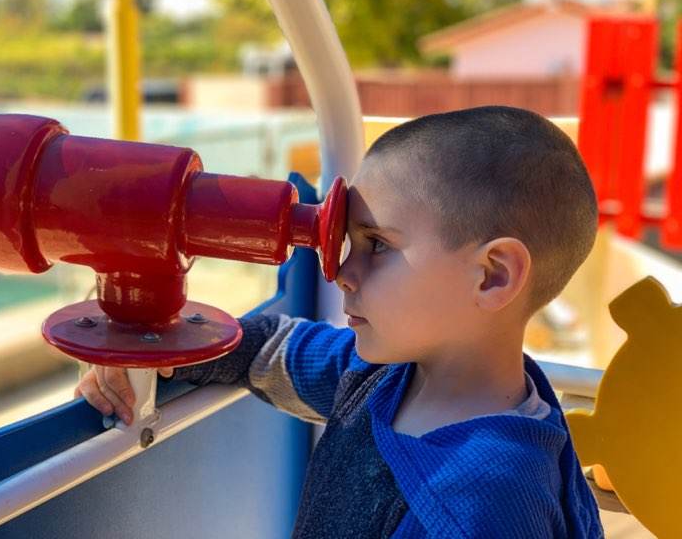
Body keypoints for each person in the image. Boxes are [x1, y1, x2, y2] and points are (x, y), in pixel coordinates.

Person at [76, 106, 605, 538]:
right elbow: (267, 351)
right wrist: (147, 342)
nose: (344, 273)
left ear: (492, 276)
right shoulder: (384, 375)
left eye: (377, 245)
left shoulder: (488, 504)